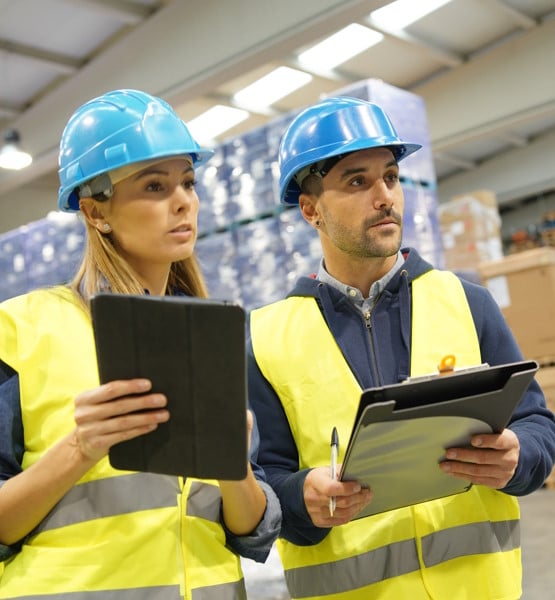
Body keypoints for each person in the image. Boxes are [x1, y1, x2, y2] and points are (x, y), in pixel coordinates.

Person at [247, 96, 555, 599]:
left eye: (390, 176)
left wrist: (518, 457)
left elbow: (538, 425)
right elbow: (265, 485)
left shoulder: (467, 302)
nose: (384, 195)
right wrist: (302, 499)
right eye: (356, 181)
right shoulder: (266, 338)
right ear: (311, 210)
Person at [0, 89, 281, 599]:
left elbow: (253, 529)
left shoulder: (212, 335)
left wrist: (233, 464)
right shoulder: (20, 330)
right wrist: (80, 447)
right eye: (154, 186)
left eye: (188, 183)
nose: (183, 202)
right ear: (95, 212)